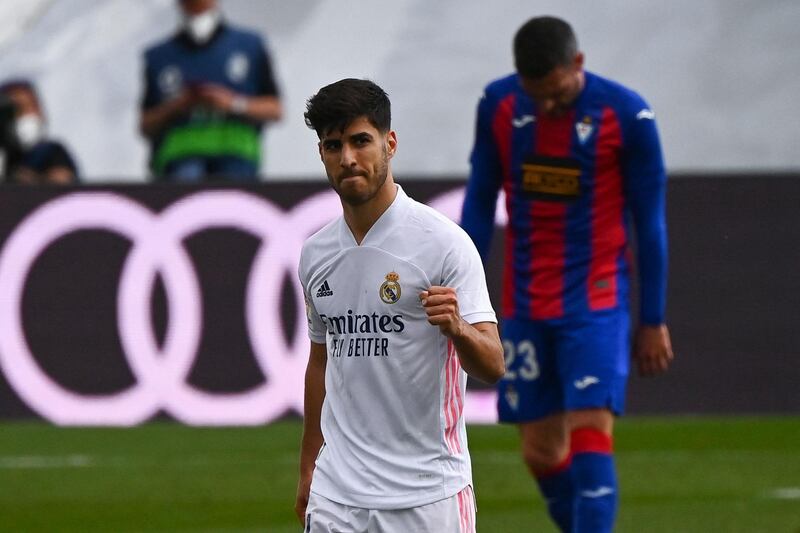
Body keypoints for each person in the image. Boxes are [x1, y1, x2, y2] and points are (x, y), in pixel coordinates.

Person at [460, 16, 674, 532]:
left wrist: (652, 318)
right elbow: (479, 203)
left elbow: (650, 226)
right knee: (540, 451)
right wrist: (467, 294)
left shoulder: (627, 115)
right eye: (538, 96)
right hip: (527, 302)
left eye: (556, 93)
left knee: (590, 437)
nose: (548, 105)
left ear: (577, 64)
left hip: (595, 301)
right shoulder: (500, 106)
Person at [295, 78, 505, 532]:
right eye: (333, 145)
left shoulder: (444, 245)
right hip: (338, 494)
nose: (348, 158)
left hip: (427, 494)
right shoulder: (315, 254)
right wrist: (309, 463)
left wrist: (458, 330)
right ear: (322, 154)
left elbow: (493, 365)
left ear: (389, 143)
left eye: (360, 141)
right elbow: (319, 361)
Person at [139, 0, 282, 182]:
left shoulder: (250, 46)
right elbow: (145, 124)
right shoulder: (158, 56)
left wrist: (232, 103)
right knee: (186, 180)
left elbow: (275, 109)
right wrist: (178, 106)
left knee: (233, 195)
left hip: (237, 154)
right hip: (179, 158)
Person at [0, 80, 79, 185]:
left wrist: (23, 179)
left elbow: (61, 187)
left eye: (31, 106)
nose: (26, 114)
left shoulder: (50, 151)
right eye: (18, 110)